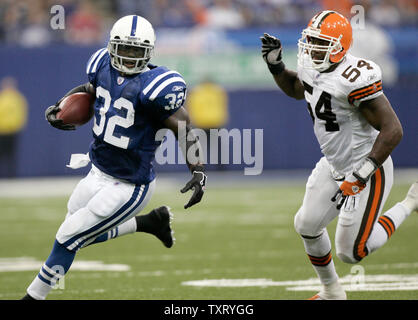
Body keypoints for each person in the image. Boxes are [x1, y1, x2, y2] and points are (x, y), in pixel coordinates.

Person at [22, 15, 207, 300]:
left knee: (68, 237)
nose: (130, 57)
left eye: (137, 51)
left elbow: (186, 128)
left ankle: (33, 297)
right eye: (125, 48)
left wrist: (198, 171)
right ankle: (149, 223)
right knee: (75, 231)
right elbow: (89, 91)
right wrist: (61, 106)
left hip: (129, 185)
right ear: (111, 46)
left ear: (149, 52)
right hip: (96, 171)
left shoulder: (156, 87)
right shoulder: (101, 67)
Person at [261, 10, 417, 300]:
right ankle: (332, 291)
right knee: (306, 224)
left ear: (340, 47)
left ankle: (410, 202)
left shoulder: (355, 77)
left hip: (368, 168)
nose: (313, 49)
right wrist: (276, 67)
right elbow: (297, 89)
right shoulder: (311, 67)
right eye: (311, 41)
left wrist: (361, 175)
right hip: (334, 165)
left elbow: (393, 130)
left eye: (322, 44)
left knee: (352, 252)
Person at [186, 78, 229, 170]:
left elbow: (192, 108)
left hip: (202, 123)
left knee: (201, 149)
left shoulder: (197, 92)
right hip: (214, 122)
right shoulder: (217, 92)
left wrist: (192, 120)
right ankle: (221, 169)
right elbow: (222, 106)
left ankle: (201, 168)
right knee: (217, 148)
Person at [0, 77, 27, 178]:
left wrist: (16, 125)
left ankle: (11, 176)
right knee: (3, 155)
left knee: (10, 156)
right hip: (2, 131)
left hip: (11, 131)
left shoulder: (17, 99)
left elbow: (20, 114)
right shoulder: (2, 98)